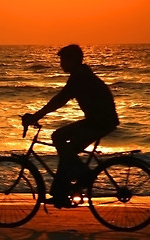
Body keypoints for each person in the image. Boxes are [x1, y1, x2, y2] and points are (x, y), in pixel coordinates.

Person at [21, 44, 119, 208]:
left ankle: (84, 175)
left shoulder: (79, 77)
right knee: (67, 154)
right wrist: (38, 115)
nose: (61, 64)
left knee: (57, 136)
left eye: (63, 60)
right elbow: (61, 99)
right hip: (100, 120)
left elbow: (60, 100)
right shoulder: (81, 74)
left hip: (100, 122)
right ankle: (60, 194)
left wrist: (36, 116)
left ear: (73, 60)